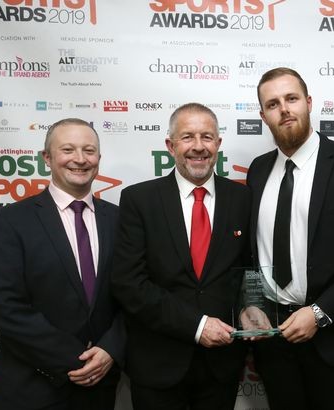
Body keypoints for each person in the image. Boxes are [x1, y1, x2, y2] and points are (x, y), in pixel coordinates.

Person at [245, 67, 334, 410]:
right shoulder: (258, 170)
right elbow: (252, 253)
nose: (285, 109)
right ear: (264, 116)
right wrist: (250, 303)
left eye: (292, 99)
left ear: (308, 103)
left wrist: (320, 313)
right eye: (273, 104)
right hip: (274, 342)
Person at [110, 103, 251, 410]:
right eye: (187, 137)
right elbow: (129, 283)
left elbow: (248, 270)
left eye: (207, 137)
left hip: (221, 365)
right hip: (158, 362)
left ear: (218, 144)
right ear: (170, 145)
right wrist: (197, 325)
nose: (198, 147)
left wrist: (251, 306)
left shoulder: (243, 198)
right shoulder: (139, 200)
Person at [0, 118, 125, 410]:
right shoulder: (8, 222)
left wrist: (111, 349)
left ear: (99, 158)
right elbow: (1, 308)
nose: (80, 159)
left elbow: (135, 296)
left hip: (100, 391)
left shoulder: (121, 220)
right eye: (68, 149)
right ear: (47, 157)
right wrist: (76, 360)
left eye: (89, 150)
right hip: (29, 391)